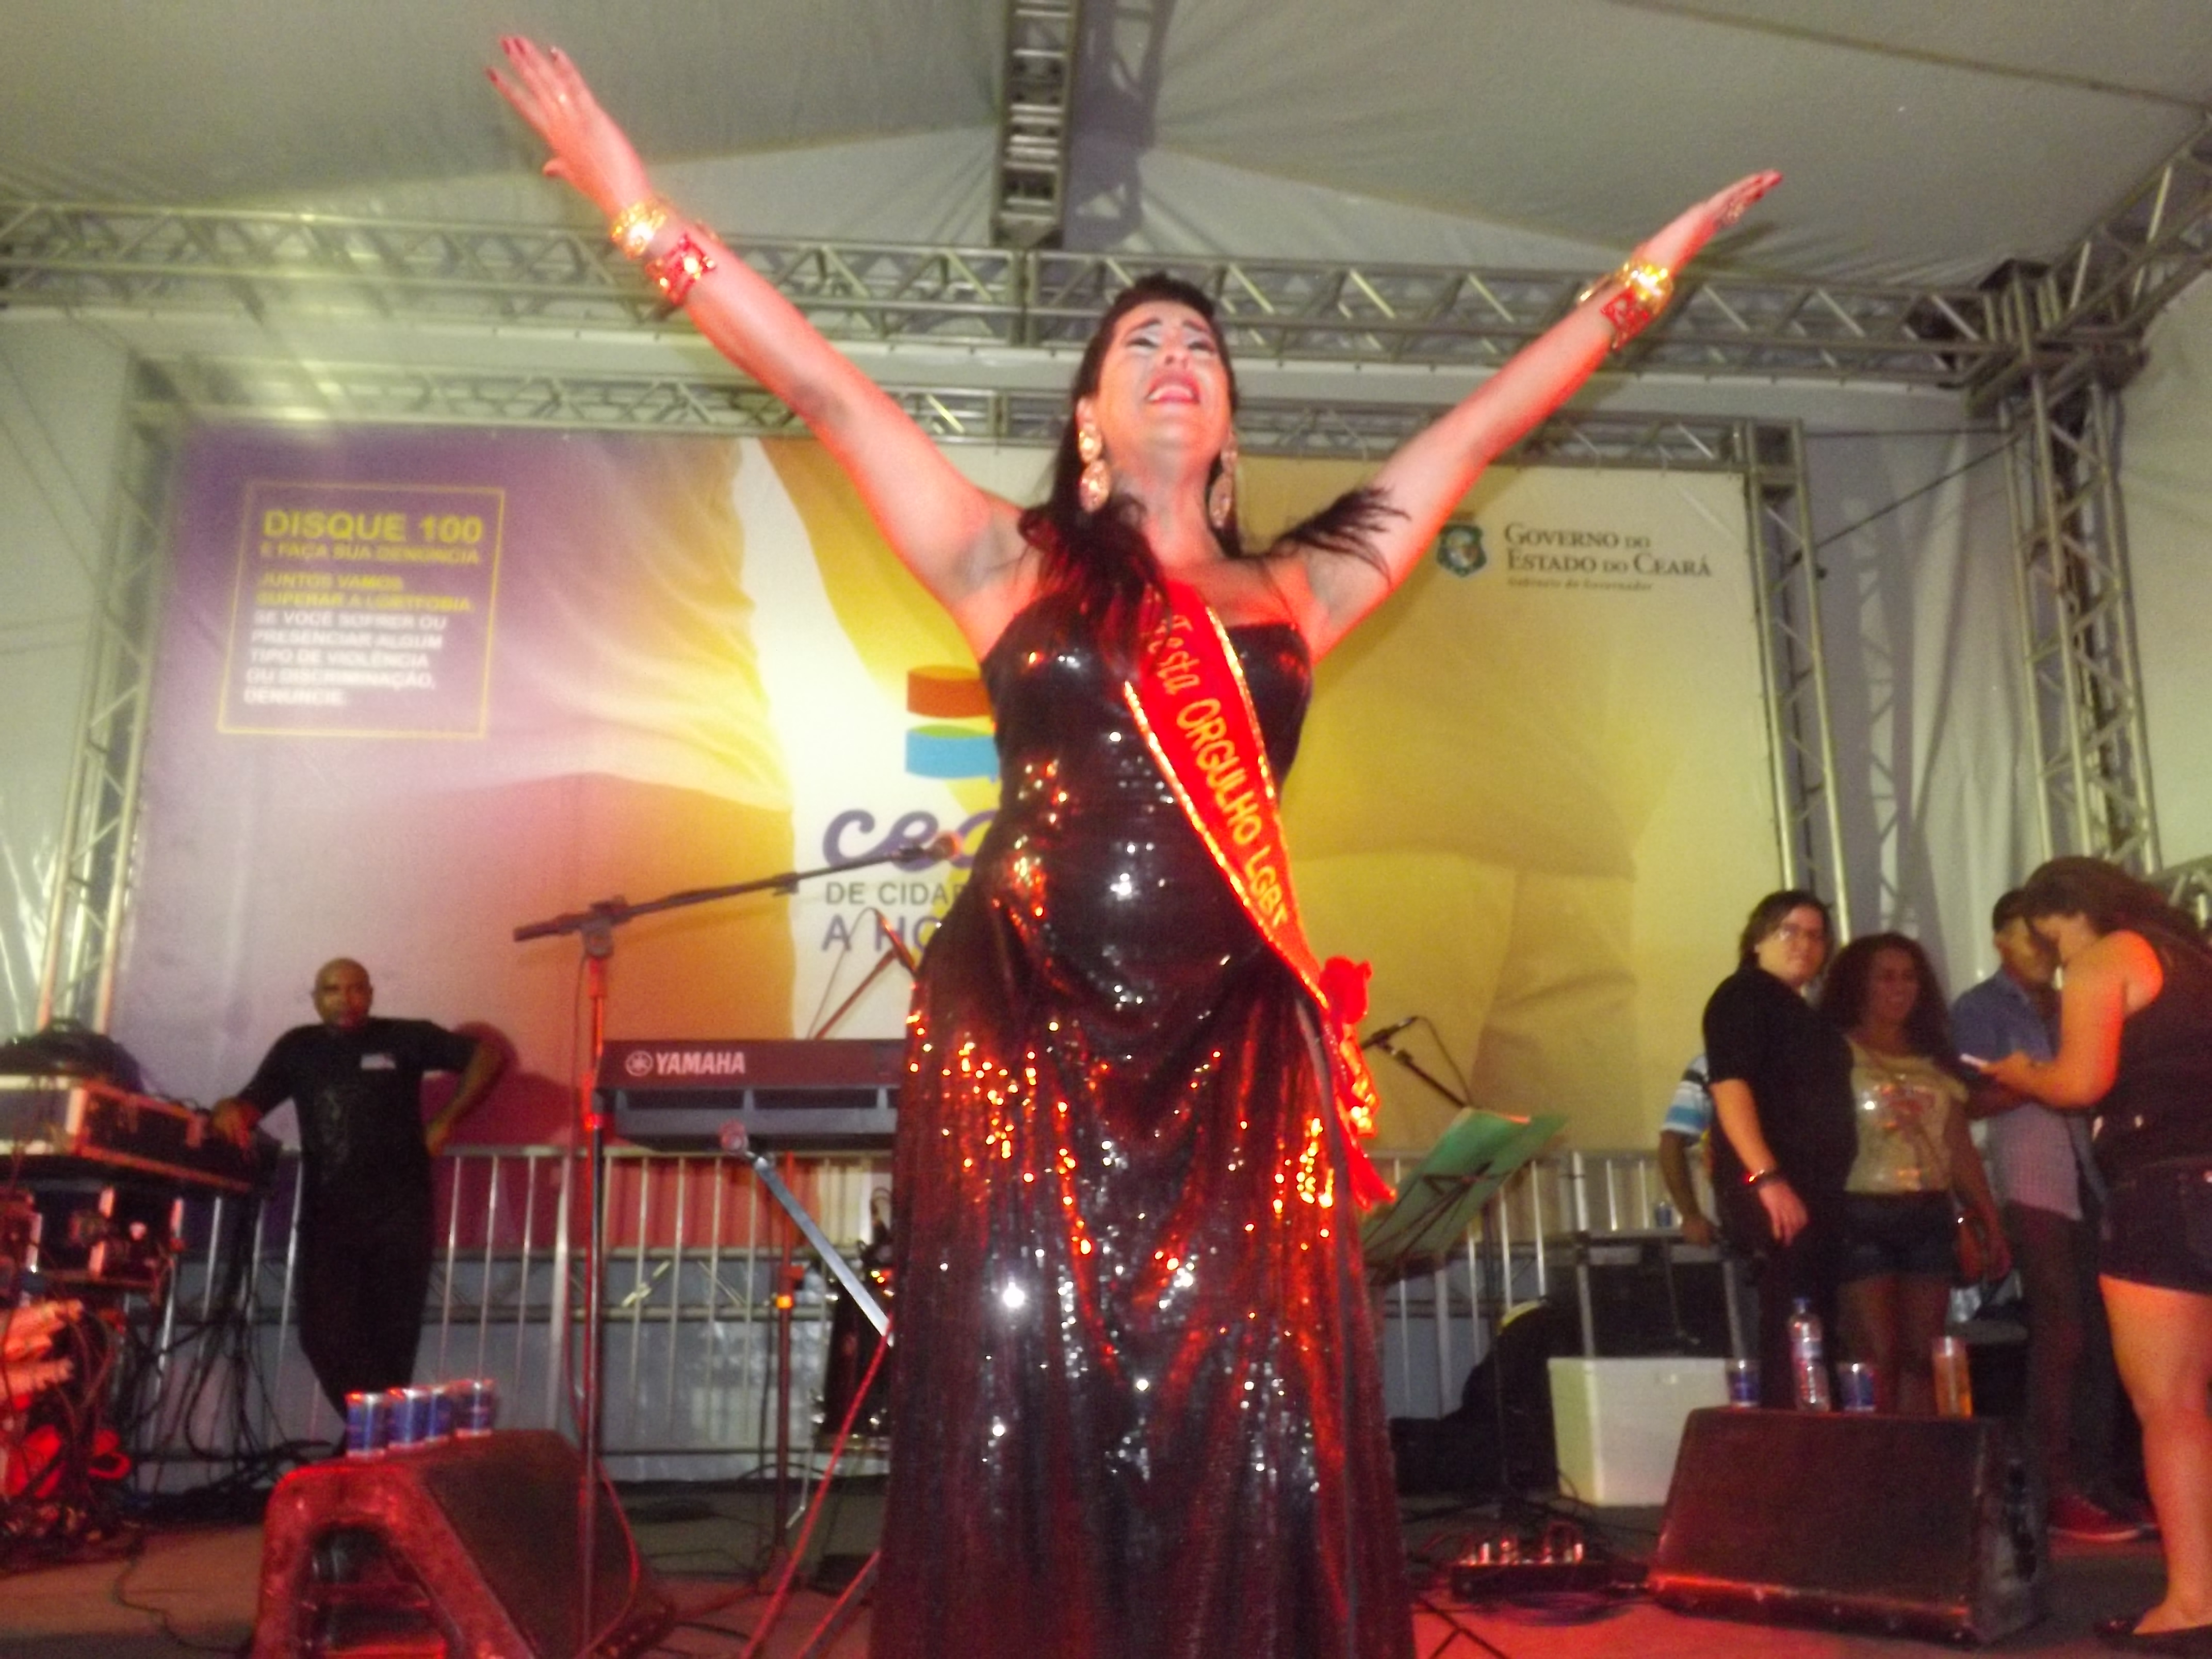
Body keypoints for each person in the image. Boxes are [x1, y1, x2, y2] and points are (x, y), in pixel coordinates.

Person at [490, 35, 1777, 1656]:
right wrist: (636, 207)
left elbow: (1473, 431)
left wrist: (1640, 284)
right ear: (1089, 419)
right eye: (1142, 342)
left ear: (1229, 427)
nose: (1177, 355)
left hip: (1237, 1044)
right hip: (1025, 1015)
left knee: (1252, 1390)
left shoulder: (1301, 587)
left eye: (1203, 346)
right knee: (1022, 1386)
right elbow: (819, 384)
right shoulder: (1005, 561)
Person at [1982, 858, 2212, 1650]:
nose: (2051, 956)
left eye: (2047, 938)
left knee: (2173, 1405)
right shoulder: (2195, 960)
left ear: (2066, 913)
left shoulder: (2105, 957)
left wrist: (2025, 1075)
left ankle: (2194, 1602)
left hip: (2166, 1189)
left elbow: (2082, 1082)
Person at [212, 959, 502, 1417]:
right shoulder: (299, 1047)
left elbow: (487, 1056)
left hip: (401, 1213)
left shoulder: (403, 1037)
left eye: (355, 989)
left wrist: (447, 1121)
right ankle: (381, 1429)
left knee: (391, 1341)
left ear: (370, 994)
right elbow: (251, 1103)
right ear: (316, 999)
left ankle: (371, 1441)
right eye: (332, 990)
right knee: (321, 1333)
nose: (345, 1000)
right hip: (329, 1214)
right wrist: (228, 1109)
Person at [1955, 889, 2136, 1541]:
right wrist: (2040, 1079)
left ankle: (2097, 1478)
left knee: (2101, 1331)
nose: (2043, 948)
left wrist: (2058, 1078)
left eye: (2046, 936)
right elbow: (1963, 1102)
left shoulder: (2070, 1000)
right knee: (2061, 1327)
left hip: (2089, 1174)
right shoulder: (1978, 1008)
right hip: (2029, 1177)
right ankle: (2052, 1485)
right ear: (2000, 940)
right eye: (2029, 936)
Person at [1817, 933, 2008, 1414]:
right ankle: (1877, 1454)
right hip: (1860, 1209)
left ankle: (1917, 1454)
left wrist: (1988, 1219)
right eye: (1885, 977)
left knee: (1924, 1356)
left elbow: (1958, 1146)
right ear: (1858, 985)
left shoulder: (1934, 1058)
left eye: (1909, 978)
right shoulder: (1834, 1052)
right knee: (1875, 1356)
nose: (1900, 988)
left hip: (1928, 1211)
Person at [1703, 891, 1854, 1408]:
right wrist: (1767, 1178)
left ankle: (1810, 1433)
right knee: (1793, 1321)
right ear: (1757, 939)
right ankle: (1792, 1438)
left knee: (1812, 1324)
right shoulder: (1743, 996)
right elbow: (1730, 1089)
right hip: (1776, 1185)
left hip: (1815, 1188)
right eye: (1790, 931)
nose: (1804, 944)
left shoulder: (1802, 1012)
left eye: (1816, 935)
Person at [1656, 1052, 1718, 1246]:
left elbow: (1672, 1141)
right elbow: (1672, 1141)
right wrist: (1691, 1215)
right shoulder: (1709, 1064)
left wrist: (1691, 1216)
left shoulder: (1709, 1063)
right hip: (1745, 1214)